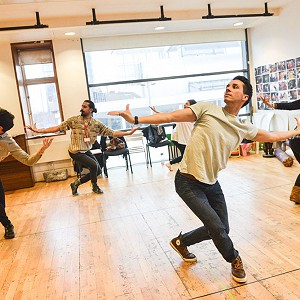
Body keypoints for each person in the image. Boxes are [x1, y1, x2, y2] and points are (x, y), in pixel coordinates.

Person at [108, 76, 300, 283]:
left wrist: (296, 131)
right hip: (187, 182)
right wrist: (135, 119)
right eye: (227, 85)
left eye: (234, 87)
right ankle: (234, 258)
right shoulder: (207, 109)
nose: (228, 88)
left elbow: (271, 135)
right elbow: (169, 116)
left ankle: (182, 242)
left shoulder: (242, 127)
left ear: (244, 97)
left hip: (211, 184)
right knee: (217, 229)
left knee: (222, 228)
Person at [26, 100, 138, 196]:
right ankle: (95, 187)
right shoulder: (74, 120)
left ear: (91, 110)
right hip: (75, 151)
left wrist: (128, 133)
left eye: (85, 107)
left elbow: (112, 132)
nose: (82, 108)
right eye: (82, 106)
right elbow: (57, 128)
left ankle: (75, 184)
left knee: (98, 170)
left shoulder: (96, 124)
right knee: (94, 165)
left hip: (85, 150)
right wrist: (38, 131)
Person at [0, 108, 53, 239]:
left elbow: (28, 160)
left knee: (1, 204)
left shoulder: (7, 141)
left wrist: (41, 150)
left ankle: (8, 225)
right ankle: (8, 224)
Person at [261, 95, 300, 203]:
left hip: (294, 140)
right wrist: (271, 105)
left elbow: (291, 105)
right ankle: (296, 195)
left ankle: (296, 195)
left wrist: (271, 105)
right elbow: (291, 105)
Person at [150, 99, 197, 171]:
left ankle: (175, 165)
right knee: (185, 156)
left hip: (185, 139)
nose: (185, 105)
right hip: (177, 139)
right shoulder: (181, 115)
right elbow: (169, 116)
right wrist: (157, 112)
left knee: (187, 156)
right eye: (185, 103)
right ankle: (173, 165)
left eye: (187, 104)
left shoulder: (195, 116)